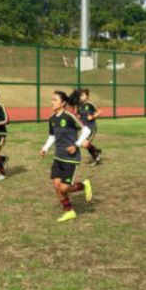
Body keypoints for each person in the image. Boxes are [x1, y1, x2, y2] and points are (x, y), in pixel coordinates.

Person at [40, 91, 93, 222]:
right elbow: (52, 136)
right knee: (57, 185)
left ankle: (84, 185)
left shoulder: (69, 116)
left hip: (71, 158)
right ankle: (69, 211)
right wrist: (45, 148)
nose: (52, 102)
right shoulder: (52, 119)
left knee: (64, 188)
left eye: (55, 100)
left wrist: (76, 145)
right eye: (51, 99)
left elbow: (86, 130)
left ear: (63, 103)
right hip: (58, 157)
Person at [75, 89, 103, 166]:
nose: (81, 97)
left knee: (85, 144)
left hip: (91, 128)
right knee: (84, 144)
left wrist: (93, 116)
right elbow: (78, 114)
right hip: (84, 129)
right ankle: (97, 151)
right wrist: (78, 116)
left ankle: (96, 157)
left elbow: (100, 111)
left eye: (83, 95)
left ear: (86, 96)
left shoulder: (90, 104)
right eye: (80, 95)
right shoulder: (78, 105)